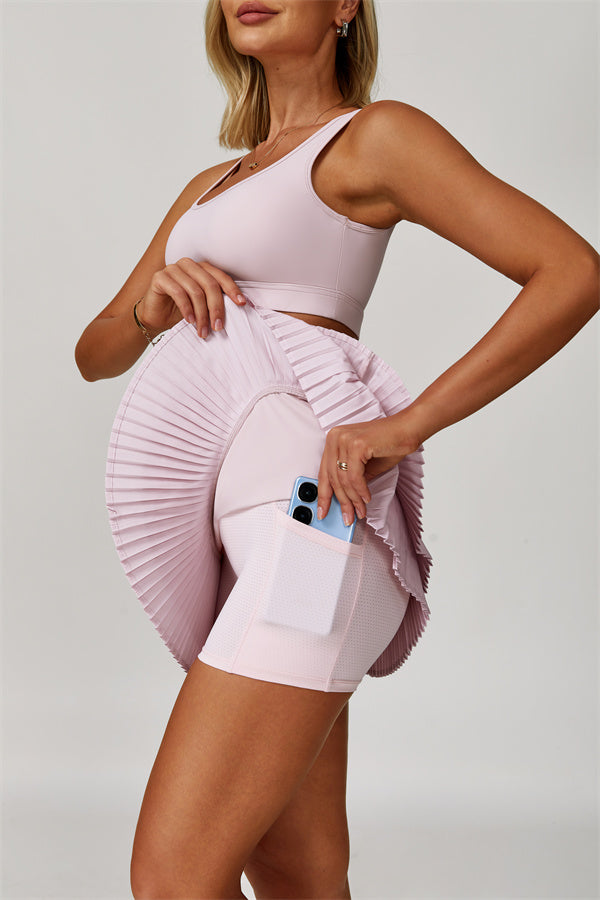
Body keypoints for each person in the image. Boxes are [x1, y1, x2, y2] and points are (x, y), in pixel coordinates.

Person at [75, 1, 599, 897]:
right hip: (249, 550)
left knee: (172, 877)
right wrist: (149, 306)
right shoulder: (211, 186)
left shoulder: (373, 139)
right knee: (299, 873)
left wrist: (409, 421)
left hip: (311, 532)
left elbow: (572, 272)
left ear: (345, 6)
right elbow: (96, 354)